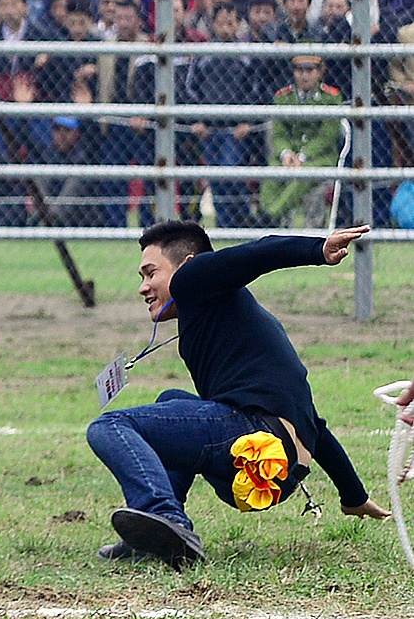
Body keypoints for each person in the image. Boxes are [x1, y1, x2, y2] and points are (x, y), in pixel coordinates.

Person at [86, 221, 387, 567]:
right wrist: (353, 495)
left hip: (252, 439)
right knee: (171, 398)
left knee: (108, 427)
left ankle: (165, 517)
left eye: (150, 273)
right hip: (279, 469)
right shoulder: (236, 320)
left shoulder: (192, 276)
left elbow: (259, 252)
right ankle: (157, 537)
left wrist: (318, 249)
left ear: (186, 264)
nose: (143, 288)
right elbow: (313, 425)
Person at [261, 52, 346, 226]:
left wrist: (302, 156)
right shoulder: (283, 97)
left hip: (320, 158)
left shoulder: (331, 97)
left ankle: (269, 216)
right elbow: (278, 133)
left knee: (302, 177)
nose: (304, 75)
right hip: (289, 155)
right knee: (271, 174)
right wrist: (286, 154)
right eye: (300, 70)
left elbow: (327, 136)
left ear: (321, 71)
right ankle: (268, 216)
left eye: (310, 70)